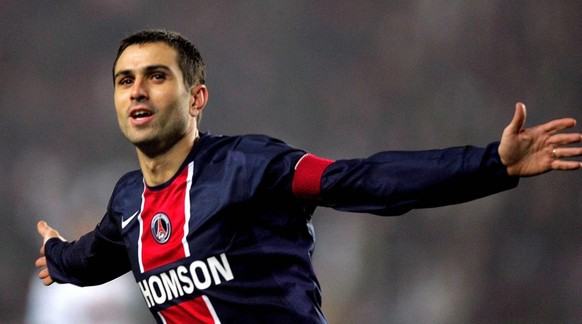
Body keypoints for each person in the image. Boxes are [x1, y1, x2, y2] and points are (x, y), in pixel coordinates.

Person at [34, 29, 582, 324]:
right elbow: (96, 256)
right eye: (124, 79)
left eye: (156, 75)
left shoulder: (249, 167)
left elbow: (362, 180)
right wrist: (57, 257)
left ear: (197, 97)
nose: (137, 90)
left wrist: (492, 163)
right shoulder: (128, 201)